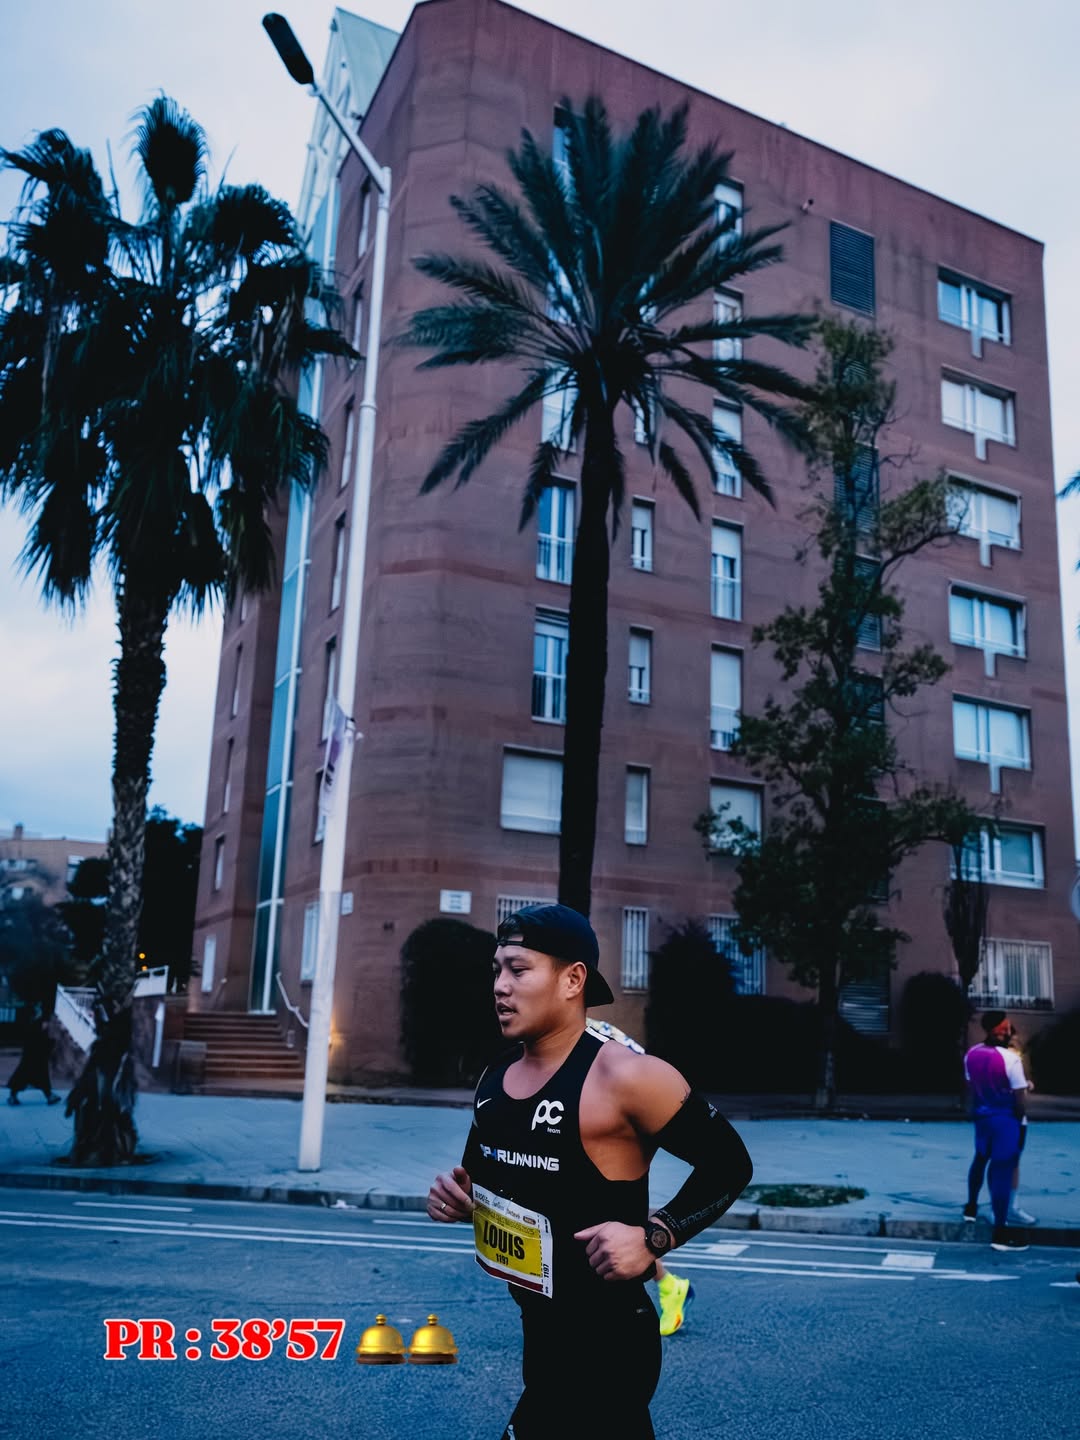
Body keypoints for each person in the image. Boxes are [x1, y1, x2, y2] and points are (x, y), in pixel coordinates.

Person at [428, 903, 753, 1439]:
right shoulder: (495, 1077)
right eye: (496, 970)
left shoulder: (629, 1078)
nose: (500, 986)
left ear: (573, 980)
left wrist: (654, 1236)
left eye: (519, 969)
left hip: (608, 1350)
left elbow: (729, 1164)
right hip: (540, 1336)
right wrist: (461, 1202)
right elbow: (486, 1182)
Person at [585, 1017, 695, 1337]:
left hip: (617, 1138)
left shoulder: (588, 1034)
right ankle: (669, 1285)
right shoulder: (565, 1031)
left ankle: (668, 1286)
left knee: (610, 1230)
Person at [961, 1010, 1030, 1251]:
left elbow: (971, 1087)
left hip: (983, 1116)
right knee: (1002, 1170)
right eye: (1007, 1027)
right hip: (1006, 1119)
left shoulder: (971, 1054)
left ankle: (970, 1208)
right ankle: (1000, 1232)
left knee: (980, 1159)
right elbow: (1019, 1098)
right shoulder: (1011, 1059)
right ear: (999, 1030)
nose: (1010, 1031)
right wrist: (1019, 1119)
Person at [7, 1002, 62, 1106]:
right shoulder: (35, 1020)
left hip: (35, 1052)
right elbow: (37, 1035)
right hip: (34, 1052)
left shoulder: (37, 1019)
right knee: (28, 1073)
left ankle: (49, 1095)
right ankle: (48, 1095)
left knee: (33, 1073)